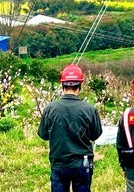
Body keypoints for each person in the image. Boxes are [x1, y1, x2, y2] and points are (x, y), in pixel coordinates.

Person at [38, 64, 103, 192]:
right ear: (80, 85)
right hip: (82, 164)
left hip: (59, 164)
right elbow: (95, 135)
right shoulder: (90, 109)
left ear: (62, 85)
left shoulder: (50, 109)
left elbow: (43, 134)